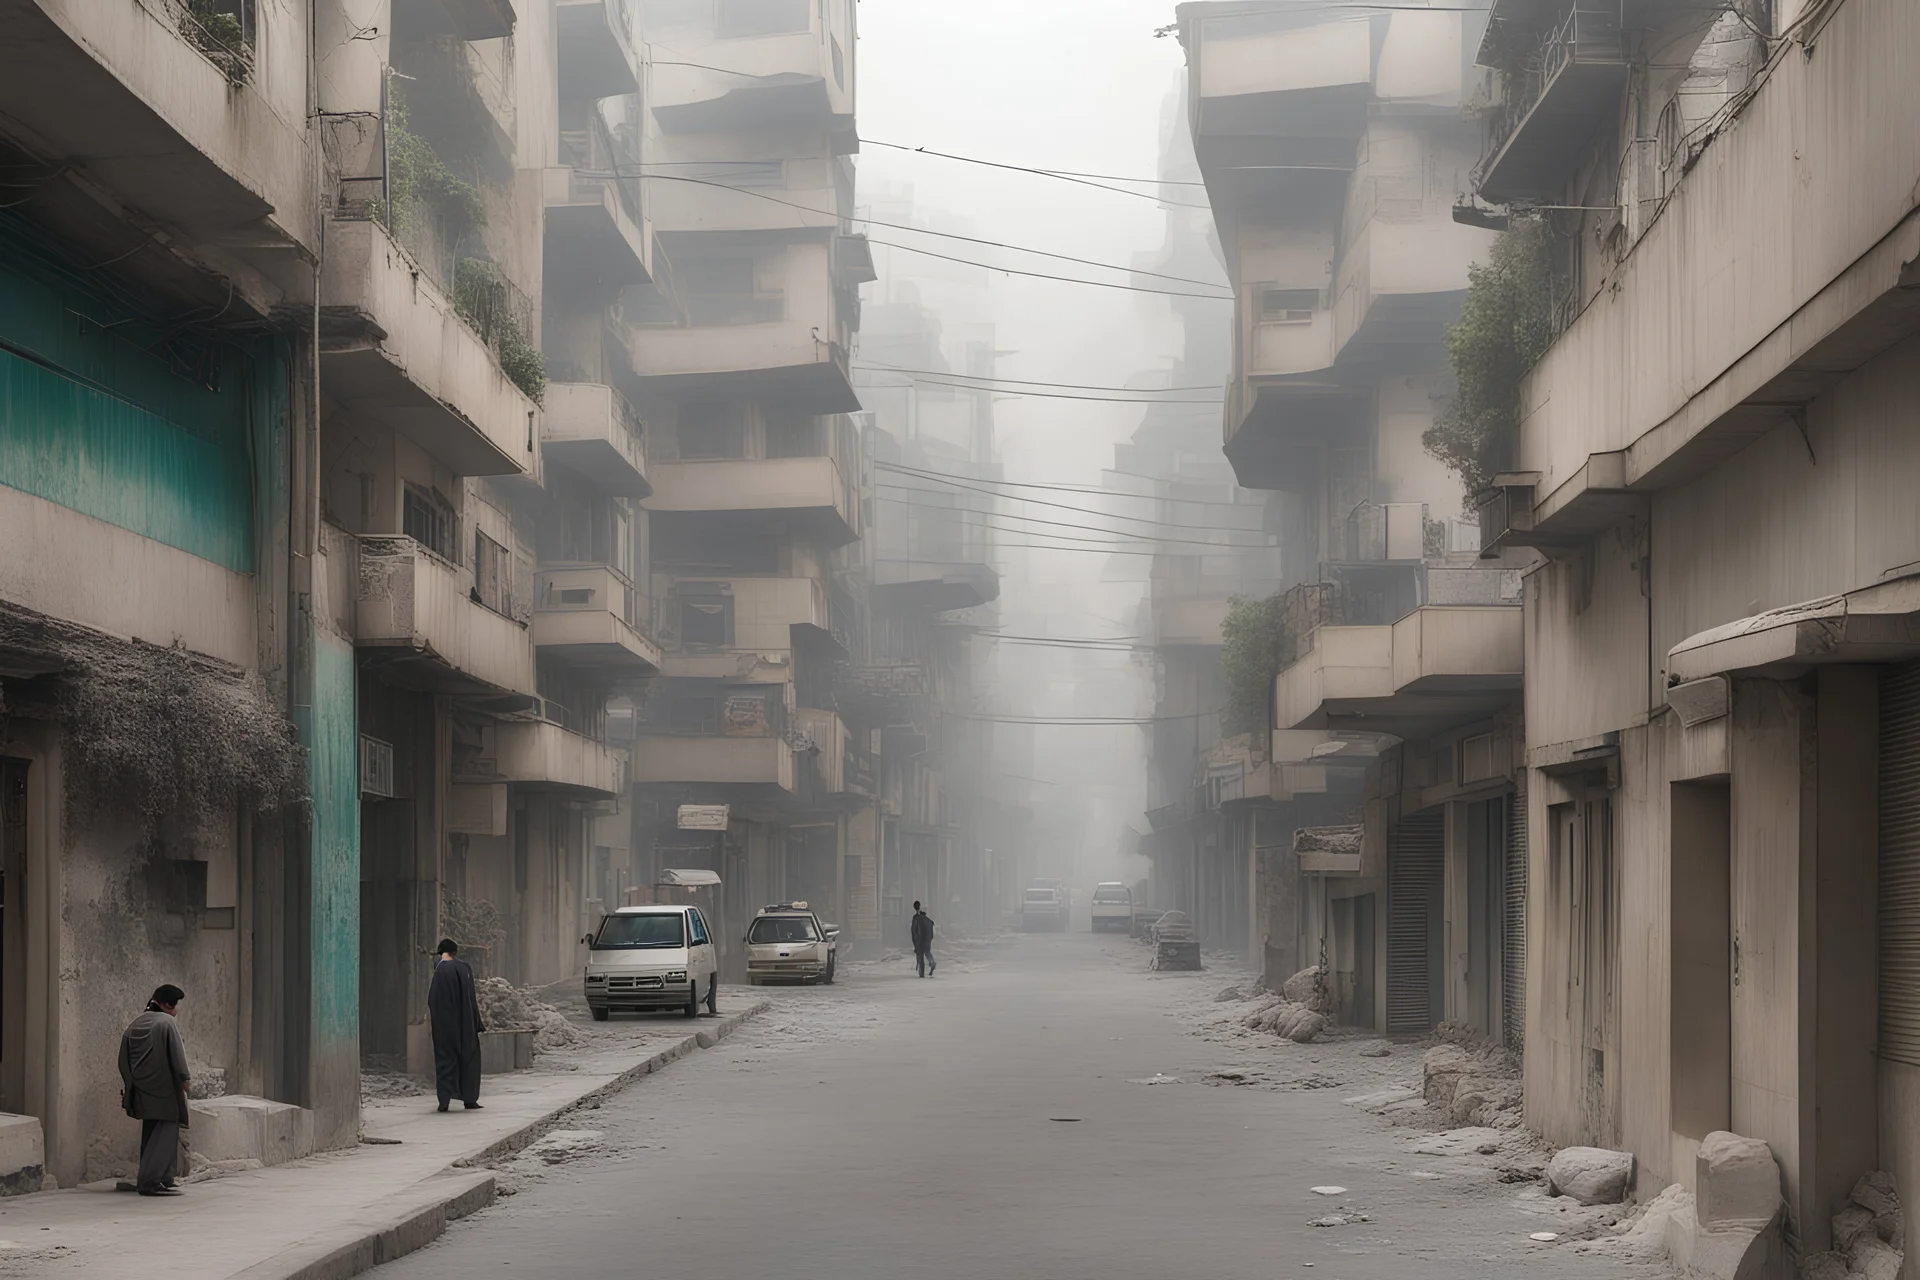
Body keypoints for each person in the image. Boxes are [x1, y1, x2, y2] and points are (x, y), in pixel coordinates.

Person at [118, 984, 190, 1197]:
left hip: (141, 1089)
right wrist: (184, 1079)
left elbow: (122, 1061)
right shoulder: (167, 1023)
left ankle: (163, 1178)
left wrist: (132, 1086)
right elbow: (177, 1054)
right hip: (165, 1088)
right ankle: (150, 1182)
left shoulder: (134, 1024)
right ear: (167, 1004)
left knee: (151, 1134)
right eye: (174, 1005)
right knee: (166, 1133)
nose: (175, 1011)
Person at [427, 938, 485, 1112]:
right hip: (466, 1025)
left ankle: (444, 1101)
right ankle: (470, 1100)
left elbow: (434, 1000)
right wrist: (477, 1022)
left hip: (446, 1026)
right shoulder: (465, 968)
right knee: (469, 1060)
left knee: (446, 1061)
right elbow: (471, 999)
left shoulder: (441, 970)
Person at [910, 902, 936, 978]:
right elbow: (932, 933)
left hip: (919, 941)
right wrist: (929, 940)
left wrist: (915, 943)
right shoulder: (928, 920)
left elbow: (914, 931)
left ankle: (921, 974)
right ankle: (932, 962)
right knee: (927, 952)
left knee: (920, 957)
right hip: (927, 940)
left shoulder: (916, 919)